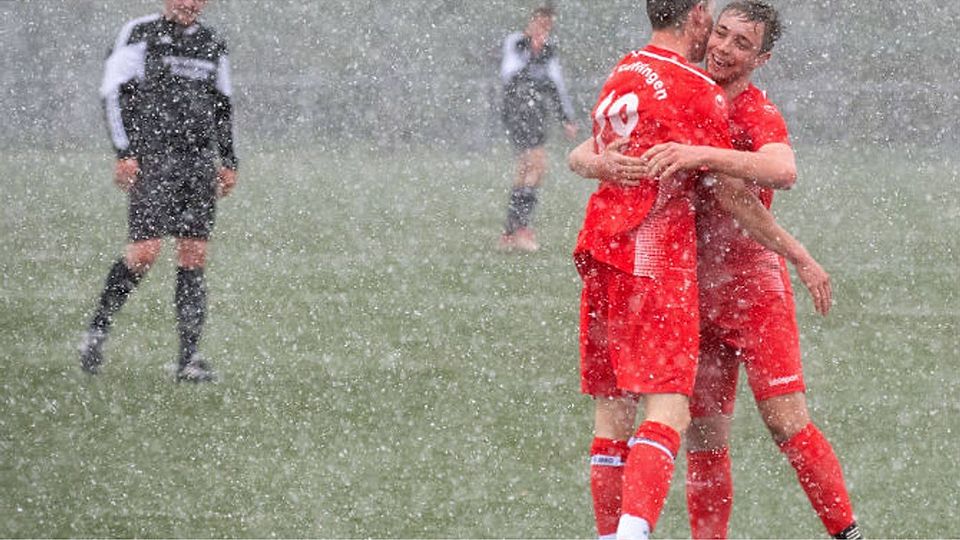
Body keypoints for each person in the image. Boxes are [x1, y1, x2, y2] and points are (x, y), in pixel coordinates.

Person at [569, 2, 861, 539]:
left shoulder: (752, 109)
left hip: (753, 285)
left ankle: (847, 531)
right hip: (689, 287)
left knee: (785, 421)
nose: (724, 48)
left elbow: (781, 169)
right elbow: (587, 149)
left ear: (762, 58)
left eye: (741, 43)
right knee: (705, 435)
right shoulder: (680, 86)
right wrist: (600, 163)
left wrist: (702, 153)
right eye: (721, 34)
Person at [570, 1, 727, 537]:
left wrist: (595, 163)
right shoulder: (696, 89)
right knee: (668, 407)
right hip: (652, 257)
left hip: (600, 249)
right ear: (698, 14)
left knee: (612, 416)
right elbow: (731, 186)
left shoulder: (626, 69)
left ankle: (610, 533)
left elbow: (590, 152)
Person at [78, 0, 237, 382]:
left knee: (193, 254)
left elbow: (223, 104)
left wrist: (229, 160)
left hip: (198, 164)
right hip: (154, 159)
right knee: (143, 254)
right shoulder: (140, 33)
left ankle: (188, 360)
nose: (189, 3)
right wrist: (125, 152)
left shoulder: (213, 42)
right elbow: (112, 92)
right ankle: (96, 332)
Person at [497, 6, 577, 252]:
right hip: (518, 111)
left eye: (547, 27)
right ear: (531, 23)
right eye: (540, 25)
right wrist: (532, 53)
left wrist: (566, 117)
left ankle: (511, 230)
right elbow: (509, 76)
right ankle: (520, 227)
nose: (543, 31)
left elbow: (555, 84)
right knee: (537, 165)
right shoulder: (516, 43)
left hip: (536, 114)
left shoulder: (548, 50)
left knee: (526, 169)